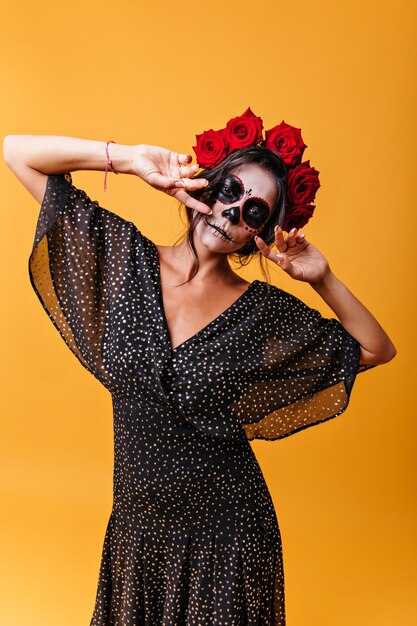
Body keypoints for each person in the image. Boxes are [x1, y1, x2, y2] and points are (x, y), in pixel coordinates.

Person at [3, 121, 396, 625]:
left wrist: (322, 278)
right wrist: (128, 160)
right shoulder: (126, 259)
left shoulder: (261, 313)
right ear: (203, 186)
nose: (232, 212)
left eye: (252, 211)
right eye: (230, 190)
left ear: (260, 234)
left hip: (227, 536)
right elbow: (18, 152)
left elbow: (374, 348)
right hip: (138, 530)